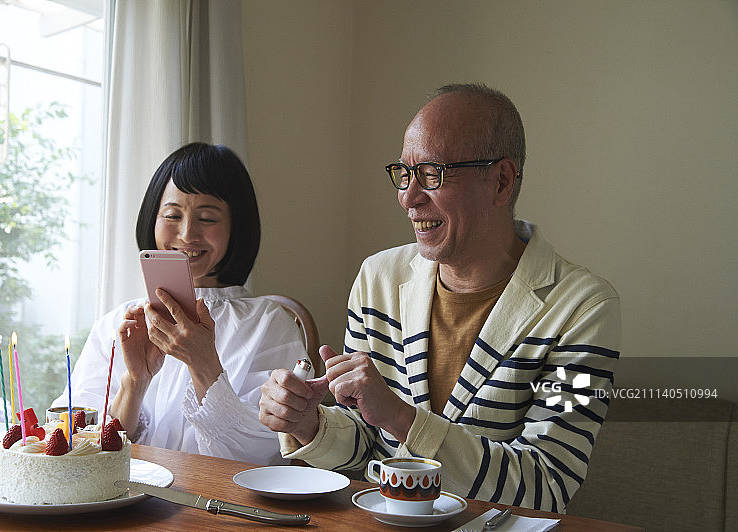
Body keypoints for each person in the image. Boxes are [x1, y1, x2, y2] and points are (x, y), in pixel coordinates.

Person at [259, 84, 620, 511]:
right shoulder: (378, 279)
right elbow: (366, 446)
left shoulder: (583, 308)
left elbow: (546, 483)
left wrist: (400, 417)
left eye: (432, 174)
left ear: (501, 181)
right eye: (404, 173)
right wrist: (310, 426)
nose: (409, 198)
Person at [54, 142, 305, 465]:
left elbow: (265, 454)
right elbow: (76, 442)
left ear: (237, 225)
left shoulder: (269, 322)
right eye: (173, 215)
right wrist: (135, 382)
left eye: (208, 218)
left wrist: (203, 363)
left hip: (218, 509)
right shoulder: (122, 322)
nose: (187, 234)